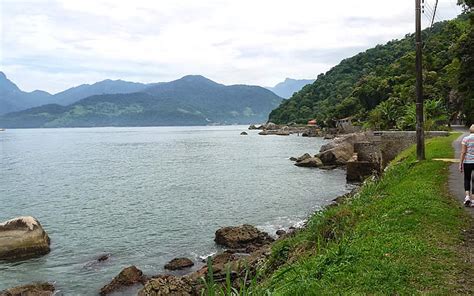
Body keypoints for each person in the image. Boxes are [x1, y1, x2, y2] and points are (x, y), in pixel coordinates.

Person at [459, 124, 474, 207]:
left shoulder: (466, 139)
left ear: (470, 130)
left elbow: (463, 152)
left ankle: (467, 197)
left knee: (467, 179)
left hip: (468, 162)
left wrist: (460, 163)